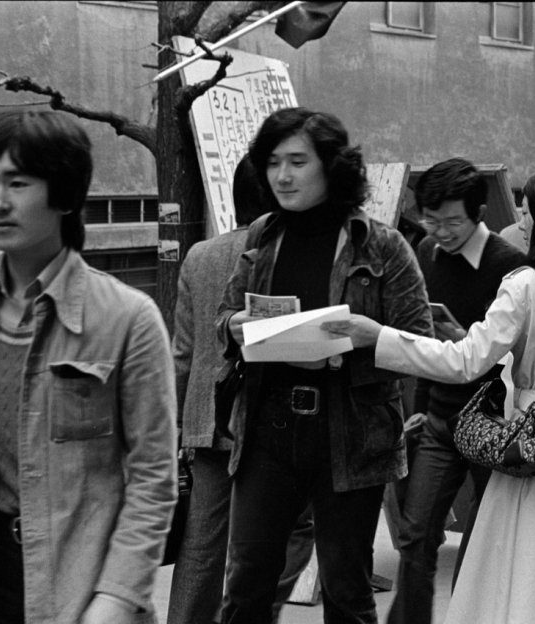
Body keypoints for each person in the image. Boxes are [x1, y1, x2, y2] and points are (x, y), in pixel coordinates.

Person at [326, 161, 535, 623]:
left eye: (528, 212)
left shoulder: (528, 286)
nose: (522, 222)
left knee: (530, 573)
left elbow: (464, 361)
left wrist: (378, 337)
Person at [0, 110, 177, 624]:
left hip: (80, 589)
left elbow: (153, 478)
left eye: (18, 183)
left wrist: (116, 597)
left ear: (63, 194)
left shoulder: (127, 318)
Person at [216, 107, 433, 624]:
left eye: (297, 162)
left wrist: (363, 338)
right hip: (267, 426)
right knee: (246, 585)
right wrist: (234, 325)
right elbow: (224, 316)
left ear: (332, 167)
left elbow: (419, 341)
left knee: (345, 589)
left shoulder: (381, 245)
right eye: (273, 163)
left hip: (352, 430)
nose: (282, 176)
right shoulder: (263, 236)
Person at [168, 156, 315, 624]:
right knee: (292, 530)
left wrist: (176, 426)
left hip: (207, 421)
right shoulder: (291, 252)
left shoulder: (199, 255)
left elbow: (183, 353)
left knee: (202, 545)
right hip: (273, 422)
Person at [386, 158, 526, 624]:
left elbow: (521, 354)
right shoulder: (426, 252)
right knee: (415, 534)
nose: (441, 232)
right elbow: (426, 342)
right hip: (440, 420)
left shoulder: (511, 266)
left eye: (452, 222)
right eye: (431, 219)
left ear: (479, 213)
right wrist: (421, 407)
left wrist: (468, 341)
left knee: (484, 540)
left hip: (491, 423)